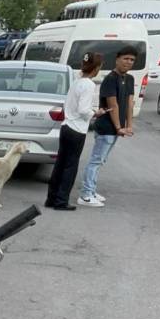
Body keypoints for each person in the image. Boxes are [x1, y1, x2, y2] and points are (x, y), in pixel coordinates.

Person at [78, 47, 137, 209]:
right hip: (106, 127)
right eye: (126, 58)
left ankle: (92, 190)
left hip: (117, 128)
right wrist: (119, 127)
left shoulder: (130, 79)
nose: (128, 62)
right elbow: (113, 104)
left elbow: (130, 103)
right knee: (96, 161)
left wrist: (129, 126)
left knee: (101, 161)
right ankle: (86, 194)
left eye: (132, 60)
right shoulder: (110, 79)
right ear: (117, 59)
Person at [46, 52, 104, 211]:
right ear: (97, 68)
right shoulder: (89, 85)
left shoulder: (76, 82)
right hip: (77, 129)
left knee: (60, 164)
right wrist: (95, 113)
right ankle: (61, 201)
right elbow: (83, 109)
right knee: (70, 166)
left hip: (66, 126)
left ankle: (51, 198)